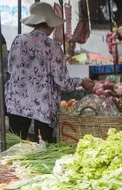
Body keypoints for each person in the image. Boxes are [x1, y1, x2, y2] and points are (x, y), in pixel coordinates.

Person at [5, 2, 93, 142]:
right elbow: (63, 82)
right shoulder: (53, 46)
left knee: (15, 148)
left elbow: (11, 69)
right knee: (43, 150)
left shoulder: (18, 41)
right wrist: (81, 82)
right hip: (43, 107)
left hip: (17, 104)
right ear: (50, 24)